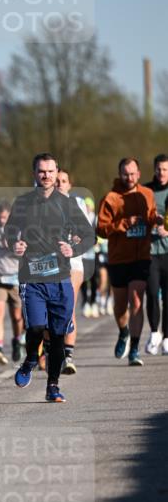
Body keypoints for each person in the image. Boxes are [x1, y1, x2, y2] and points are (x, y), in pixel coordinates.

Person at [7, 153, 95, 402]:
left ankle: (53, 386)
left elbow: (89, 235)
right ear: (34, 173)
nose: (46, 176)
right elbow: (10, 229)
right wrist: (16, 243)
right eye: (41, 171)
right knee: (35, 326)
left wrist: (73, 249)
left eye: (50, 171)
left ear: (57, 173)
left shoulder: (67, 204)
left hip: (59, 278)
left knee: (57, 335)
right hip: (32, 277)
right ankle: (31, 359)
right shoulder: (23, 203)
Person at [97, 157, 159, 366]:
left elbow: (151, 216)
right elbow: (101, 229)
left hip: (142, 256)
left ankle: (134, 348)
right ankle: (123, 332)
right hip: (119, 258)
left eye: (133, 173)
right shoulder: (110, 198)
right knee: (120, 306)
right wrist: (122, 223)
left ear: (139, 174)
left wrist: (156, 220)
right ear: (120, 173)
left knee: (137, 300)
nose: (129, 177)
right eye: (125, 174)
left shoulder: (147, 194)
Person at [55, 170, 95, 375]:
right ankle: (50, 349)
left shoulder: (77, 204)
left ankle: (68, 356)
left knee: (68, 305)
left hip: (73, 263)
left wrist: (78, 241)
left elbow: (87, 234)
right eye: (57, 181)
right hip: (50, 264)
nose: (60, 184)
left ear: (70, 185)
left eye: (64, 181)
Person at [0, 200, 24, 365]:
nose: (2, 221)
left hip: (15, 276)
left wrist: (14, 247)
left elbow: (25, 249)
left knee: (17, 316)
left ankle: (16, 340)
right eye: (0, 217)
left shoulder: (18, 229)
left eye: (5, 218)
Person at [143, 154, 168, 355]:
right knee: (151, 293)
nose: (162, 173)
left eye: (166, 169)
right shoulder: (145, 190)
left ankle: (167, 337)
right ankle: (154, 332)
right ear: (154, 169)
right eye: (159, 169)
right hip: (150, 251)